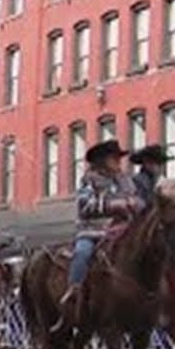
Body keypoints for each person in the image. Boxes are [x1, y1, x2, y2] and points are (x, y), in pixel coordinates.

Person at [53, 140, 144, 332]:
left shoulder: (126, 180)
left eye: (119, 158)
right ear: (102, 161)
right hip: (93, 231)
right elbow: (84, 206)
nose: (119, 162)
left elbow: (136, 200)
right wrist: (114, 205)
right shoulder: (89, 180)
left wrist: (136, 204)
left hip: (122, 230)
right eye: (114, 158)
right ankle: (74, 292)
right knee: (82, 253)